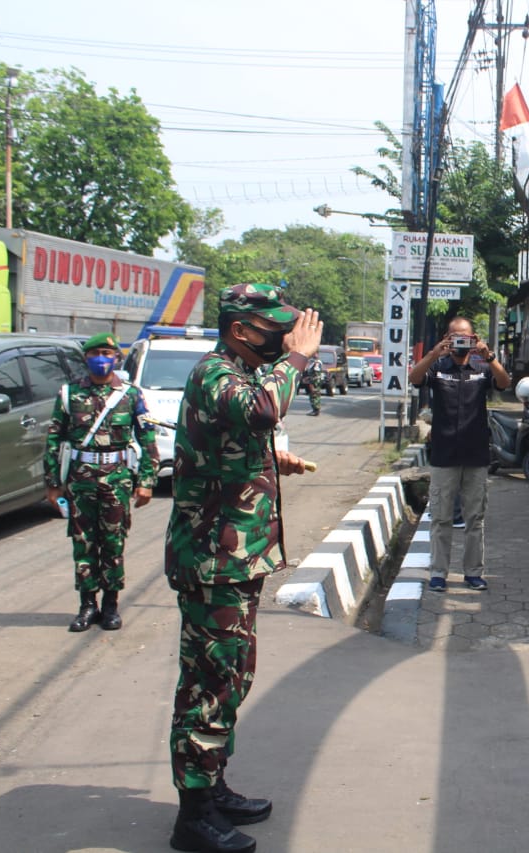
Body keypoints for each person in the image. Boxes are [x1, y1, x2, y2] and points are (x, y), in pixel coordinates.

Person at [164, 284, 321, 853]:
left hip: (236, 558)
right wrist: (297, 359)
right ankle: (193, 816)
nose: (282, 337)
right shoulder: (214, 372)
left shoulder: (240, 372)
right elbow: (262, 410)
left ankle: (213, 786)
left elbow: (233, 438)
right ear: (239, 330)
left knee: (232, 676)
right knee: (209, 682)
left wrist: (273, 459)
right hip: (213, 561)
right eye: (272, 329)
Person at [44, 333, 158, 632]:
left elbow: (147, 439)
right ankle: (87, 605)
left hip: (117, 480)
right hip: (81, 480)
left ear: (117, 357)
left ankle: (110, 605)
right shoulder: (69, 394)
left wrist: (146, 481)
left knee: (113, 542)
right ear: (86, 358)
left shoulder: (131, 395)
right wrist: (53, 483)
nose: (101, 358)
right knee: (83, 543)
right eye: (95, 353)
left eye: (107, 353)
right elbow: (54, 438)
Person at [409, 316, 510, 592]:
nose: (460, 342)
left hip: (476, 455)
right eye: (455, 336)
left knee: (474, 520)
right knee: (441, 518)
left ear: (474, 339)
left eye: (465, 337)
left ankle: (473, 573)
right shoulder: (438, 368)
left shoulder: (482, 368)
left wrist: (489, 356)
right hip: (444, 456)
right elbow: (415, 378)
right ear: (447, 338)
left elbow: (504, 382)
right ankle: (438, 573)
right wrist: (433, 354)